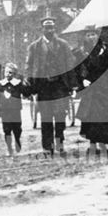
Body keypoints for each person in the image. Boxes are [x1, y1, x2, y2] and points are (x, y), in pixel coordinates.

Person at [24, 17, 76, 156]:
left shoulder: (63, 45)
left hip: (60, 86)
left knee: (60, 116)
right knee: (46, 117)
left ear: (55, 29)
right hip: (43, 87)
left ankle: (60, 142)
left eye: (52, 28)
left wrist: (72, 85)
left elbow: (70, 64)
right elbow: (29, 67)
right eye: (47, 28)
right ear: (42, 29)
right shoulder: (34, 47)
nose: (50, 30)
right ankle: (47, 145)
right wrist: (29, 85)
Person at [75, 26, 108, 160]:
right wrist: (82, 80)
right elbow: (77, 71)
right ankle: (92, 144)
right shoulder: (81, 53)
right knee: (91, 118)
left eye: (93, 34)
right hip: (90, 91)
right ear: (85, 37)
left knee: (103, 117)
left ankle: (102, 144)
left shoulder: (106, 53)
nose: (91, 37)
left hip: (105, 91)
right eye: (88, 35)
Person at [0, 63, 26, 156]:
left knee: (17, 128)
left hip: (15, 110)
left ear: (14, 74)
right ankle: (9, 148)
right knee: (7, 130)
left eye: (10, 72)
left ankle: (17, 140)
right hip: (5, 111)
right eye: (6, 72)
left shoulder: (18, 84)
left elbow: (25, 92)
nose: (8, 74)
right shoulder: (1, 85)